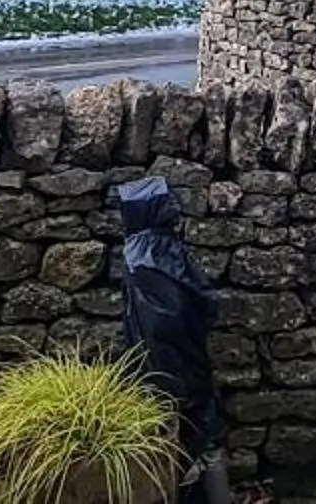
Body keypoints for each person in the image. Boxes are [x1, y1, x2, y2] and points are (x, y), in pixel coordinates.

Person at [116, 176, 226, 503]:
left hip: (149, 365)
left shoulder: (134, 253)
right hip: (187, 359)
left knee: (165, 441)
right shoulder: (168, 250)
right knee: (205, 437)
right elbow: (205, 300)